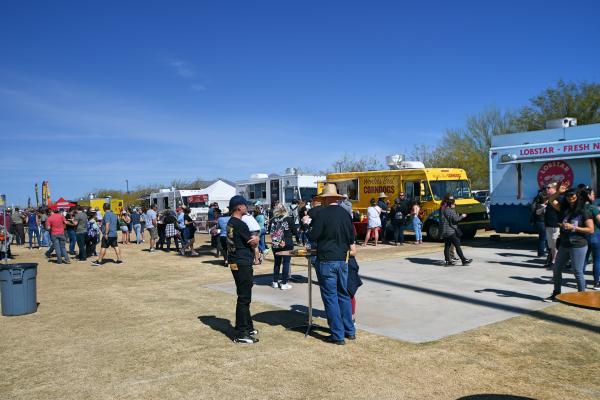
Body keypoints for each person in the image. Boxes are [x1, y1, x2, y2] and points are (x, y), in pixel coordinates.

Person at [308, 184, 356, 345]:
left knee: (331, 297)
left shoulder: (322, 214)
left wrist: (307, 226)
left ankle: (338, 334)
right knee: (343, 294)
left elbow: (314, 236)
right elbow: (351, 237)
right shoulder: (345, 214)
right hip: (342, 259)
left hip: (327, 259)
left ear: (327, 199)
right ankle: (349, 330)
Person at [544, 186, 594, 301]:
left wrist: (574, 227)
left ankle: (582, 297)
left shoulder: (583, 211)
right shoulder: (563, 208)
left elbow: (590, 229)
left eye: (572, 195)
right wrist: (558, 192)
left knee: (577, 271)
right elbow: (550, 200)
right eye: (568, 195)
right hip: (564, 244)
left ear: (577, 196)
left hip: (578, 244)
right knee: (556, 269)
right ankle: (556, 293)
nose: (570, 197)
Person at [226, 195, 260, 344]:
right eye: (245, 205)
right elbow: (252, 242)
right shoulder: (240, 224)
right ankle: (241, 332)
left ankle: (248, 326)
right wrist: (257, 240)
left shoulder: (231, 223)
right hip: (242, 262)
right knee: (244, 297)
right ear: (239, 207)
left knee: (243, 295)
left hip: (235, 261)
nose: (247, 208)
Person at [269, 204, 296, 290]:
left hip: (276, 243)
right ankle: (284, 283)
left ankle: (275, 281)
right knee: (286, 263)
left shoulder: (272, 220)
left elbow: (270, 231)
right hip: (287, 243)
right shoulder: (289, 219)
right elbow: (295, 231)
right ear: (285, 210)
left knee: (277, 262)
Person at [440, 198, 472, 266]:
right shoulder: (451, 211)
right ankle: (464, 260)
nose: (455, 205)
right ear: (451, 204)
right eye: (454, 204)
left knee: (447, 246)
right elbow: (456, 220)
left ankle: (447, 261)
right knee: (457, 246)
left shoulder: (444, 210)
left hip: (445, 232)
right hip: (451, 231)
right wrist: (462, 216)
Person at [583, 187, 600, 290]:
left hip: (583, 236)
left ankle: (581, 282)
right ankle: (596, 283)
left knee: (584, 260)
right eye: (593, 194)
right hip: (595, 235)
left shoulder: (579, 207)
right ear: (588, 196)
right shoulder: (593, 208)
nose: (594, 196)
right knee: (597, 260)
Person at [544, 182, 560, 269]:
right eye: (546, 188)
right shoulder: (548, 199)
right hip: (549, 226)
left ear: (554, 189)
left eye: (548, 187)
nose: (546, 189)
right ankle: (553, 261)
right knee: (551, 246)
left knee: (555, 245)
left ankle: (555, 262)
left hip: (556, 226)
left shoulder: (557, 198)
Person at [531, 190, 548, 257]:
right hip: (542, 223)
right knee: (543, 238)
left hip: (539, 223)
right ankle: (541, 253)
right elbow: (538, 213)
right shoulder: (541, 206)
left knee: (542, 238)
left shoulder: (537, 205)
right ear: (544, 200)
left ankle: (541, 252)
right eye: (547, 199)